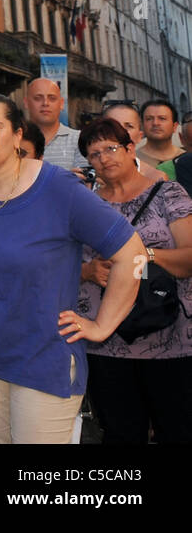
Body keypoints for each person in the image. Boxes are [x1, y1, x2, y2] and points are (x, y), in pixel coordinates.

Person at [0, 94, 143, 444]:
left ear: (17, 135)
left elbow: (131, 252)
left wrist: (103, 325)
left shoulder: (58, 188)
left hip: (44, 362)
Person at [77, 117, 192, 443]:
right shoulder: (85, 203)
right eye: (94, 153)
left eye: (111, 148)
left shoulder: (167, 193)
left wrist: (144, 256)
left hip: (169, 339)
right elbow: (53, 263)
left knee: (178, 432)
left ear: (131, 149)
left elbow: (189, 258)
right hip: (105, 341)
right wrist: (87, 271)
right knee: (119, 435)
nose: (104, 158)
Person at [25, 78, 85, 170]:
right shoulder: (14, 140)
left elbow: (83, 180)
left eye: (52, 98)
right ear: (26, 103)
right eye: (38, 98)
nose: (45, 103)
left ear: (61, 104)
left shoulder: (79, 139)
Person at [102, 102, 167, 184]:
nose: (121, 131)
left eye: (129, 126)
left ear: (140, 136)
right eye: (113, 126)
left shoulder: (155, 178)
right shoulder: (91, 177)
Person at [136, 99, 183, 180]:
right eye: (149, 119)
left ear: (174, 126)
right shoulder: (133, 160)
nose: (155, 123)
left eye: (162, 118)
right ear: (142, 125)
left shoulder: (185, 158)